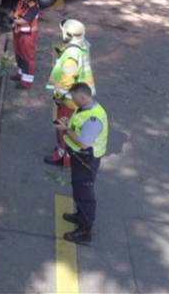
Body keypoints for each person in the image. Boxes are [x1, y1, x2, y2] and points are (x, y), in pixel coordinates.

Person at [56, 82, 108, 244]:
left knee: (85, 195)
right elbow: (79, 125)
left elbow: (84, 142)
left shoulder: (93, 118)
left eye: (74, 98)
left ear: (83, 97)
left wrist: (66, 129)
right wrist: (68, 122)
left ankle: (85, 232)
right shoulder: (86, 108)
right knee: (78, 190)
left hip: (87, 161)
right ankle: (80, 216)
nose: (73, 101)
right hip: (80, 159)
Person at [45, 19, 96, 167]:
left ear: (68, 34)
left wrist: (58, 96)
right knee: (72, 127)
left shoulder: (71, 55)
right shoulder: (82, 45)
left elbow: (66, 81)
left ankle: (63, 157)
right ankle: (67, 153)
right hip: (80, 98)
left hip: (69, 100)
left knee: (64, 129)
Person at [10, 0, 42, 90]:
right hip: (18, 33)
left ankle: (26, 82)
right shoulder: (23, 1)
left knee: (27, 58)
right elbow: (17, 12)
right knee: (19, 55)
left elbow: (24, 20)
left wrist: (12, 20)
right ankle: (20, 74)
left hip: (28, 36)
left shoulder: (34, 8)